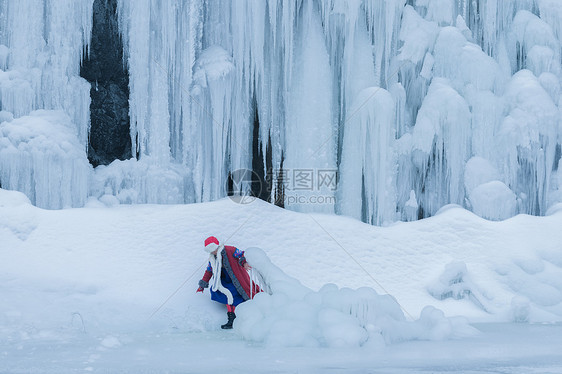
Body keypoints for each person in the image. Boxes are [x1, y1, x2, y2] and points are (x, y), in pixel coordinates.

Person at [197, 236, 260, 329]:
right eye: (210, 250)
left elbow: (242, 254)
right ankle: (232, 319)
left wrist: (244, 263)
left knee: (244, 294)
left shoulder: (230, 250)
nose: (213, 252)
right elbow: (209, 271)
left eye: (214, 249)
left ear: (217, 246)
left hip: (237, 278)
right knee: (226, 295)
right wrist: (202, 284)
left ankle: (251, 315)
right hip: (223, 281)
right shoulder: (212, 258)